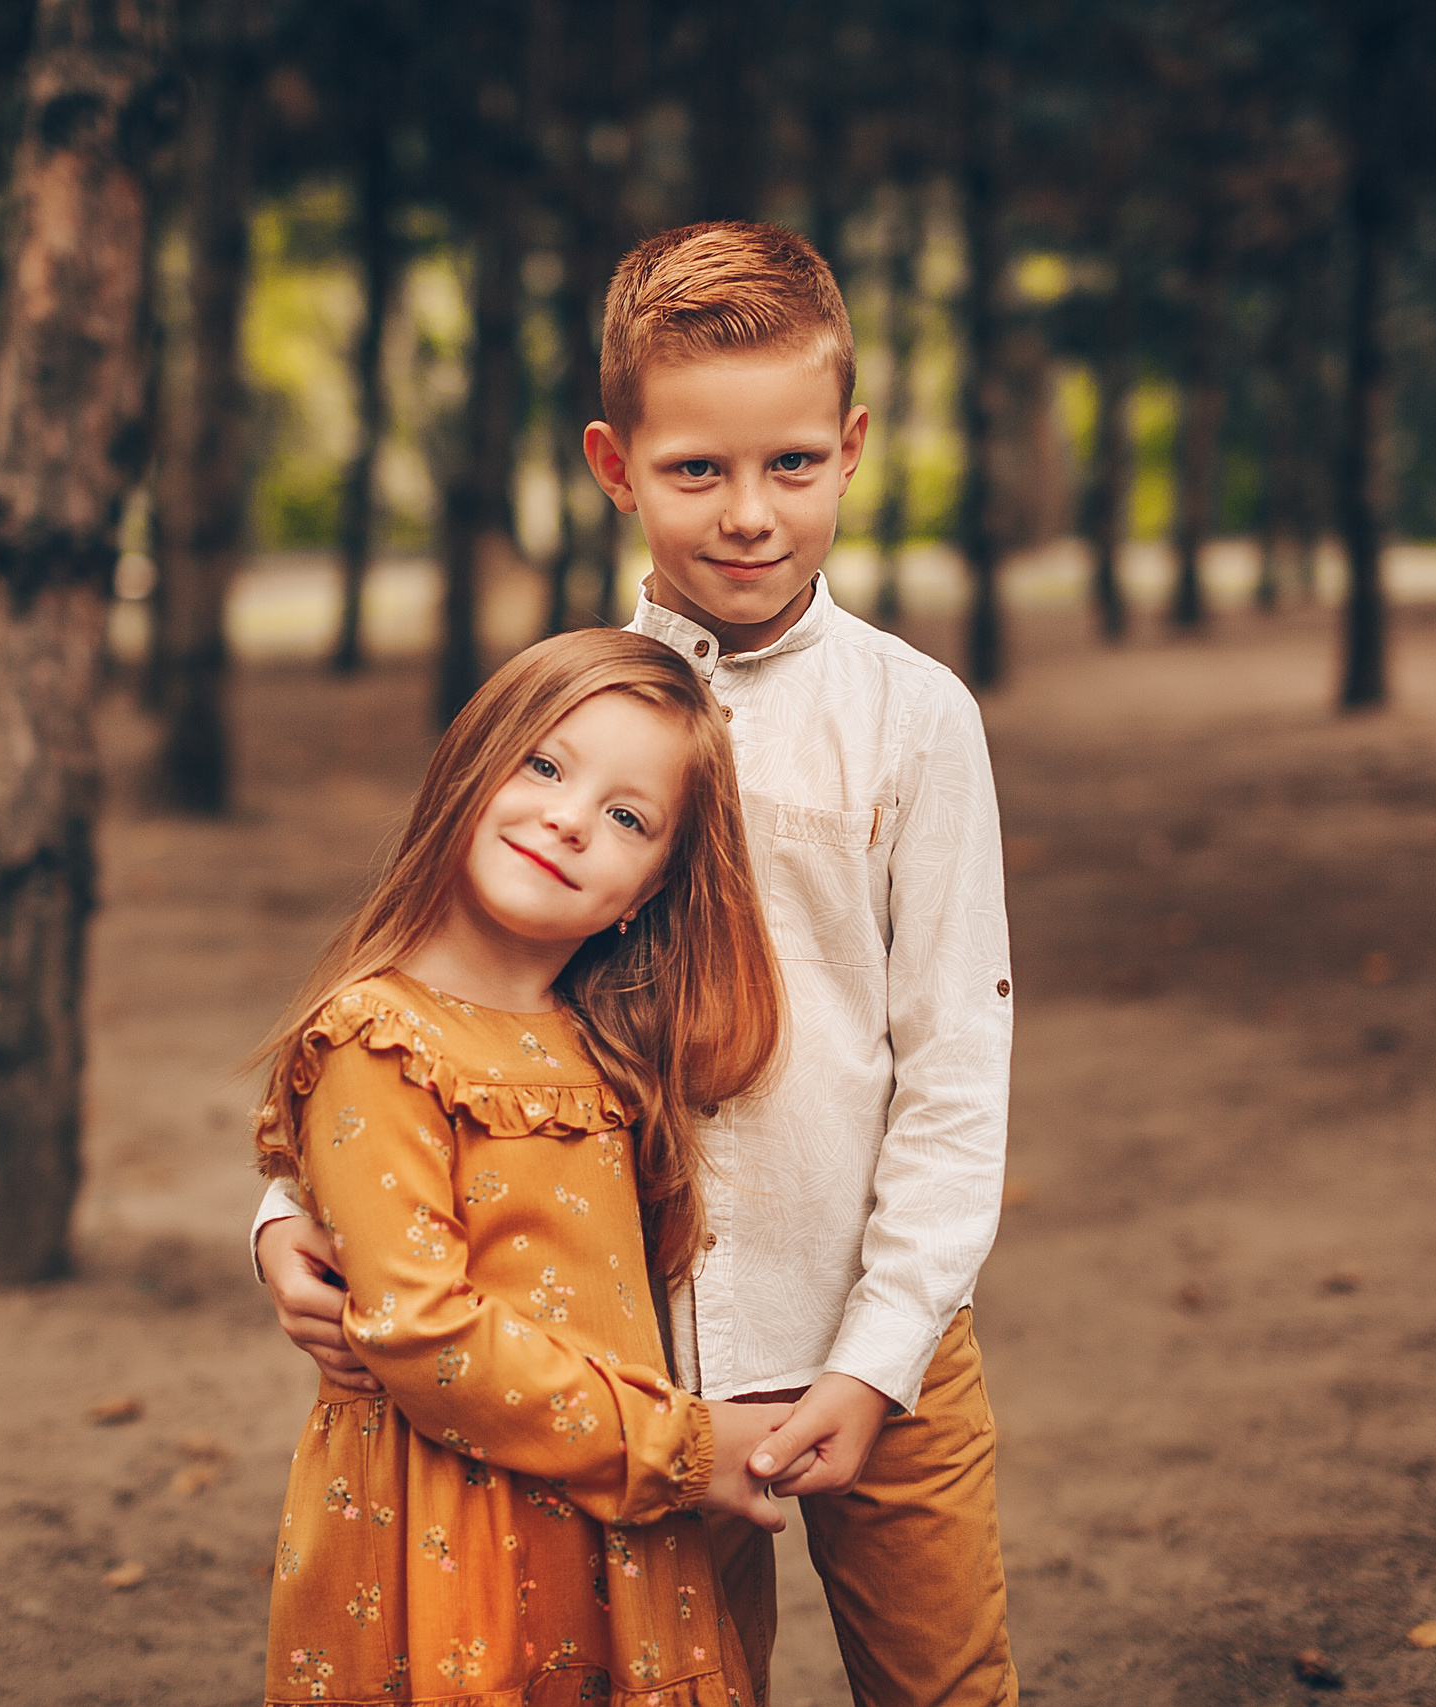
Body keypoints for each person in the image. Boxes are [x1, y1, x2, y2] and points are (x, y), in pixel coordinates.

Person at [259, 221, 1019, 1704]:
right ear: (616, 463)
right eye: (697, 470)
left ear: (853, 446)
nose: (749, 513)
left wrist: (876, 1352)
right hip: (630, 1359)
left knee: (949, 1685)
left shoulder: (915, 719)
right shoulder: (574, 723)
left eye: (794, 464)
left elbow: (954, 1061)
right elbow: (433, 976)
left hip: (885, 1322)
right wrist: (289, 1207)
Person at [251, 626, 796, 1705]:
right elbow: (420, 1329)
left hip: (606, 1526)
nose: (567, 817)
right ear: (470, 766)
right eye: (544, 765)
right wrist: (684, 1451)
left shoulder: (606, 1049)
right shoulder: (377, 1037)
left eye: (627, 817)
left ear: (647, 889)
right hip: (449, 1535)